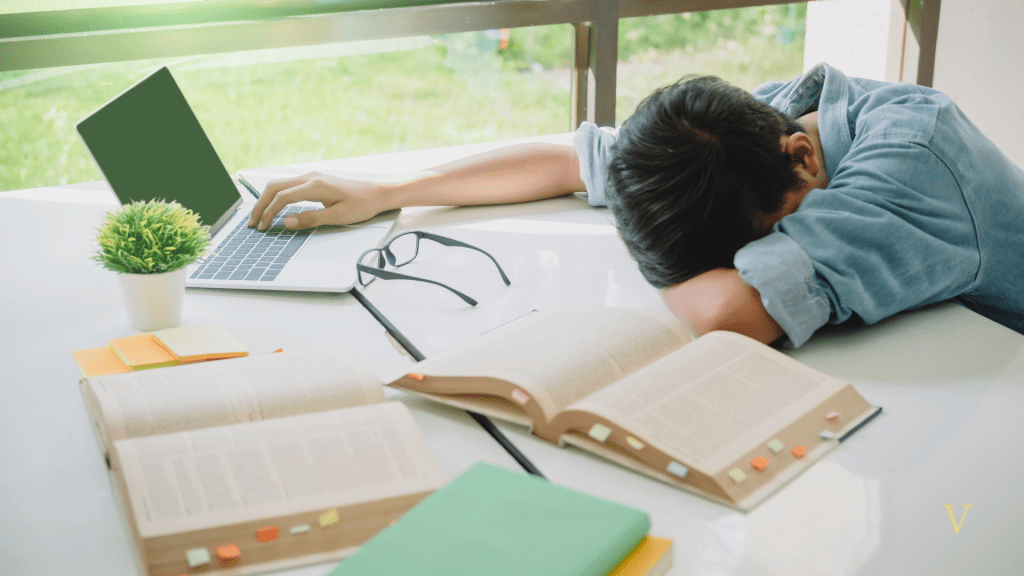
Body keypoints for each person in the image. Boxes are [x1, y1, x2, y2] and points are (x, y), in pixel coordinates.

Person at [247, 63, 1024, 347]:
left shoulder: (909, 169)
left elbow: (726, 313)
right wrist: (389, 192)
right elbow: (568, 159)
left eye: (756, 239)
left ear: (803, 159)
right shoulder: (754, 127)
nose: (749, 252)